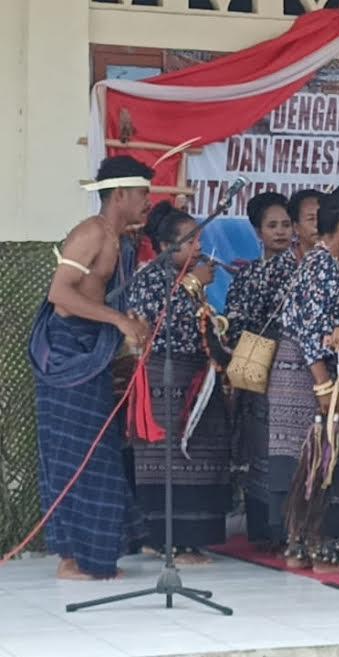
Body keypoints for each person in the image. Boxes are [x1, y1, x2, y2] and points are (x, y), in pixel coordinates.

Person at [28, 156, 152, 579]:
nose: (147, 202)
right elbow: (61, 296)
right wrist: (118, 321)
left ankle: (93, 554)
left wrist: (132, 321)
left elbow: (105, 298)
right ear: (121, 195)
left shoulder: (124, 242)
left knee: (99, 454)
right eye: (143, 194)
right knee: (72, 456)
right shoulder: (89, 234)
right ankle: (70, 558)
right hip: (67, 356)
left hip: (93, 357)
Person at [268, 185, 339, 573]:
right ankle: (326, 554)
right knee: (325, 458)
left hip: (305, 374)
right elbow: (311, 331)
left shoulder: (330, 265)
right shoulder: (322, 267)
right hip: (308, 375)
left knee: (309, 461)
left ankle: (299, 549)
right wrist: (324, 387)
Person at [127, 202, 232, 564]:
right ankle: (170, 541)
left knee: (199, 455)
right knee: (168, 459)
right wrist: (192, 286)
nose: (199, 248)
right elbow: (160, 326)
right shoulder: (149, 277)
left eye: (199, 240)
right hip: (165, 376)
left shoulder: (185, 277)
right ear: (166, 246)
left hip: (195, 374)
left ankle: (189, 538)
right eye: (190, 242)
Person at [223, 191, 297, 547]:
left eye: (286, 224)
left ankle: (283, 528)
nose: (281, 232)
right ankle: (261, 529)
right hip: (252, 361)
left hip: (288, 364)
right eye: (272, 226)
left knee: (283, 445)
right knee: (256, 444)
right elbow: (234, 317)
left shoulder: (300, 268)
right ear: (257, 231)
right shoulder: (248, 273)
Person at [287, 189, 324, 261]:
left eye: (322, 216)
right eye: (311, 219)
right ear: (296, 227)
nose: (318, 224)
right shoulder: (283, 262)